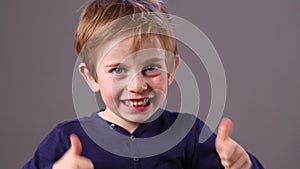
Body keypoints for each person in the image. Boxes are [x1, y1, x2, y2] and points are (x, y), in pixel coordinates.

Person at [23, 0, 264, 168]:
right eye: (118, 70)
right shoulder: (66, 138)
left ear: (171, 70)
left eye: (151, 68)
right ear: (91, 77)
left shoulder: (188, 133)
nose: (138, 85)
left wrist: (242, 165)